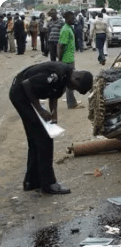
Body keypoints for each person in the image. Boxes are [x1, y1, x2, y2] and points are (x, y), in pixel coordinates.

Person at [9, 61, 93, 194]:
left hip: (25, 94)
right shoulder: (57, 74)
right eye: (75, 88)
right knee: (44, 139)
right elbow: (27, 85)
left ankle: (31, 181)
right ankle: (48, 184)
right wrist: (40, 110)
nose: (72, 89)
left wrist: (54, 115)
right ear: (77, 79)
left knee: (35, 139)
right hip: (20, 94)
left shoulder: (66, 77)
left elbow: (54, 94)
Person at [57, 11, 84, 110]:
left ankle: (72, 102)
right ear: (67, 18)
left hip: (69, 58)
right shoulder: (65, 30)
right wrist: (60, 60)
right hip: (66, 60)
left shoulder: (69, 28)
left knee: (69, 81)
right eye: (72, 18)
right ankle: (71, 103)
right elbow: (60, 46)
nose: (74, 20)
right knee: (70, 82)